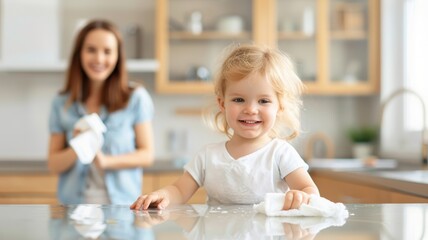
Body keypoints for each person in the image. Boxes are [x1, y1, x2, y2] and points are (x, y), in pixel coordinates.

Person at [130, 44, 319, 210]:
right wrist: (162, 195)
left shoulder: (280, 153)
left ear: (280, 107)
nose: (251, 109)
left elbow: (309, 190)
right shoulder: (208, 156)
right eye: (239, 99)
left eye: (263, 101)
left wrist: (303, 196)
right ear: (222, 103)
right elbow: (179, 190)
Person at [48, 19, 155, 205]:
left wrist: (106, 161)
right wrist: (78, 146)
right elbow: (53, 164)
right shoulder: (61, 103)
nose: (98, 59)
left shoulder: (136, 98)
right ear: (79, 54)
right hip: (73, 211)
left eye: (107, 51)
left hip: (122, 209)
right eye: (91, 50)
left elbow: (147, 154)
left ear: (117, 57)